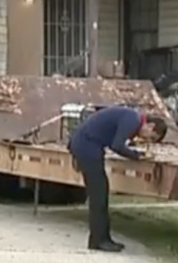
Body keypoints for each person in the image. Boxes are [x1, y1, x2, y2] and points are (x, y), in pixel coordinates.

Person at [68, 106, 167, 252]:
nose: (146, 139)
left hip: (87, 143)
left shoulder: (131, 118)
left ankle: (102, 238)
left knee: (101, 192)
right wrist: (137, 156)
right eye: (151, 136)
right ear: (150, 125)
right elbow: (117, 145)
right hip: (87, 145)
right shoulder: (133, 120)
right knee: (98, 194)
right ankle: (98, 241)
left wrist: (134, 151)